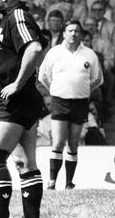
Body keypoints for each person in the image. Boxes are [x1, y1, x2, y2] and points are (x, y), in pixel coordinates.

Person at [0, 0, 48, 218]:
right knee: (24, 163)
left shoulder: (18, 16)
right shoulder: (6, 19)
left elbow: (34, 48)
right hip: (20, 99)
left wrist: (18, 83)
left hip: (16, 100)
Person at [38, 20, 103, 190]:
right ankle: (52, 181)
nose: (73, 34)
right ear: (64, 33)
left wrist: (84, 90)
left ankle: (69, 183)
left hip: (80, 103)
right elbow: (43, 76)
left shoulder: (89, 54)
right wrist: (56, 88)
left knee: (73, 144)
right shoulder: (54, 52)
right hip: (59, 101)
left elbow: (98, 79)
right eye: (70, 30)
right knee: (58, 142)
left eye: (76, 31)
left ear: (80, 34)